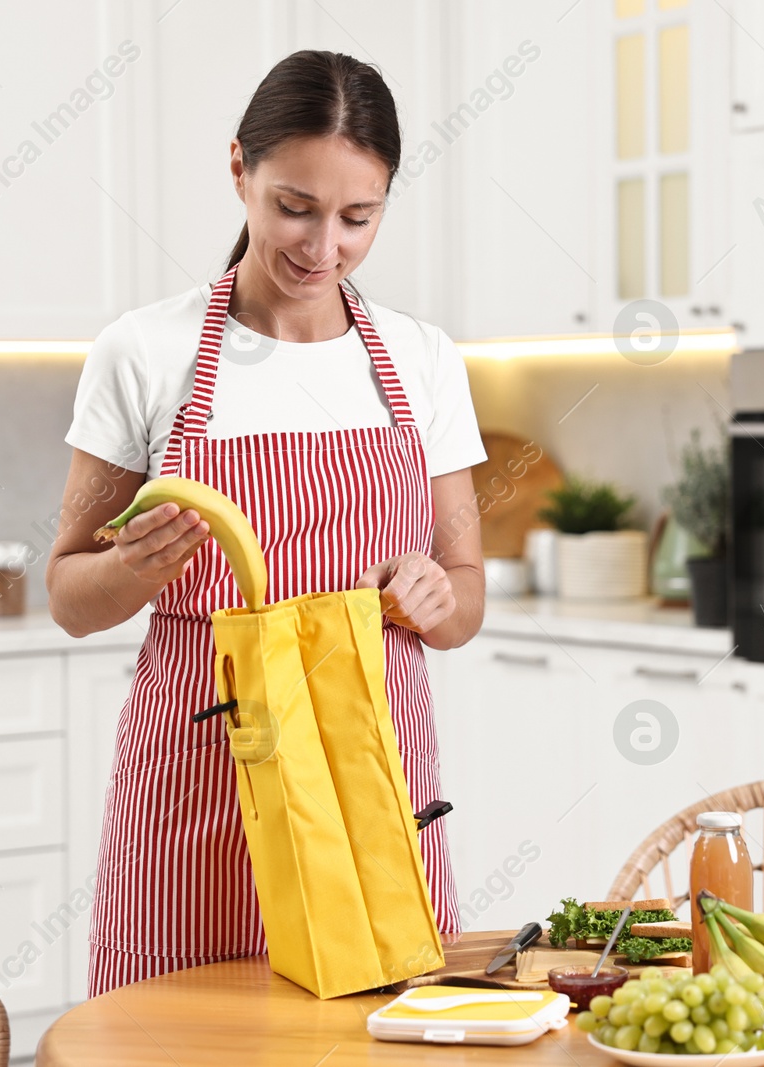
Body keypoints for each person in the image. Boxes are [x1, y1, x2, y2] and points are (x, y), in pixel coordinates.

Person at [46, 49, 487, 998]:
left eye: (357, 217)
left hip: (371, 780)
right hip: (201, 779)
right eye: (295, 205)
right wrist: (136, 567)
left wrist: (432, 598)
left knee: (383, 1034)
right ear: (238, 168)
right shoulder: (145, 351)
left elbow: (465, 602)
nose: (323, 246)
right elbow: (69, 597)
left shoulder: (422, 359)